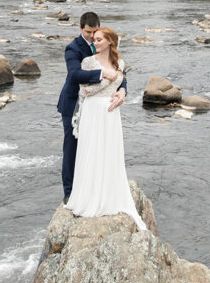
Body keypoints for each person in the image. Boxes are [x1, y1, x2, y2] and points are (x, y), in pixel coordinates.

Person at [65, 27, 146, 230]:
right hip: (92, 111)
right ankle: (88, 195)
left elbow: (122, 81)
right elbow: (84, 90)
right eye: (94, 39)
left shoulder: (120, 63)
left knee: (109, 153)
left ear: (110, 41)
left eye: (100, 39)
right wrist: (105, 77)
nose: (95, 42)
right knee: (91, 152)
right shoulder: (88, 62)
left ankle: (110, 193)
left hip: (111, 113)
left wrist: (122, 92)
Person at [57, 12, 126, 202]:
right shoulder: (73, 48)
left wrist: (123, 91)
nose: (92, 37)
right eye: (88, 32)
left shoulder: (103, 41)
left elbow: (119, 71)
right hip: (73, 104)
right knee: (72, 147)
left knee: (97, 146)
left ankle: (95, 188)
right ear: (80, 29)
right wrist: (101, 72)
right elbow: (74, 75)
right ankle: (70, 193)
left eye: (95, 32)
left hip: (99, 107)